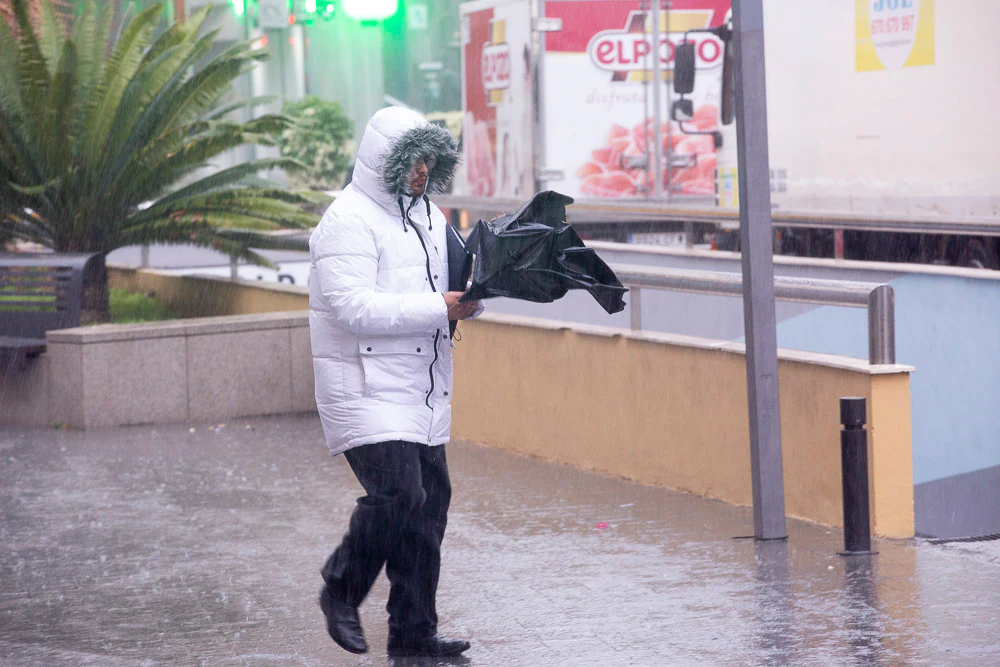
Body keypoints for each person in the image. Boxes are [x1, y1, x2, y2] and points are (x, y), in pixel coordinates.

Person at [308, 106, 480, 658]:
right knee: (399, 493)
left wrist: (473, 296)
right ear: (386, 160)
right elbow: (352, 308)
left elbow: (450, 281)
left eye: (430, 162)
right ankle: (340, 588)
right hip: (361, 386)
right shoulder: (346, 220)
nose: (422, 172)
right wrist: (440, 307)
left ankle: (413, 636)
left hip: (419, 387)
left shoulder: (429, 216)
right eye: (412, 162)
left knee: (429, 507)